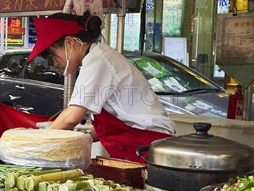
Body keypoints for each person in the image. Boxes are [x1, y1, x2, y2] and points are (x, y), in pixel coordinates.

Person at [27, 12, 175, 162]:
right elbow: (119, 117)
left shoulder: (98, 60)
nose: (55, 63)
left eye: (53, 55)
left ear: (70, 43)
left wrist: (37, 145)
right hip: (138, 145)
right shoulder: (98, 56)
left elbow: (72, 116)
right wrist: (86, 136)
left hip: (147, 146)